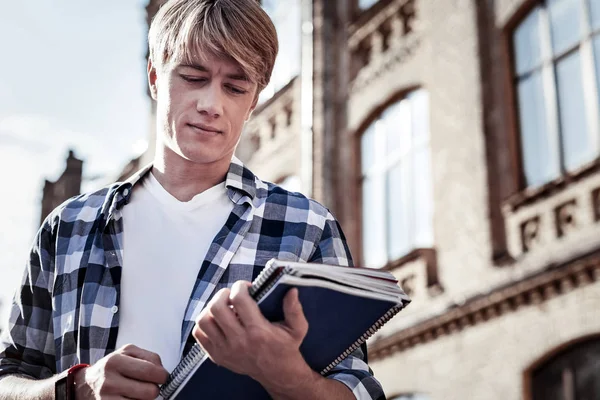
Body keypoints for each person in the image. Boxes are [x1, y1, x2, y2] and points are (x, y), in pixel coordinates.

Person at [0, 0, 386, 399]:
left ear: (252, 101)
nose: (211, 105)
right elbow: (7, 377)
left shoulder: (307, 227)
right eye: (193, 77)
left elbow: (361, 391)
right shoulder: (69, 228)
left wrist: (287, 376)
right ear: (154, 77)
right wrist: (77, 387)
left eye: (235, 88)